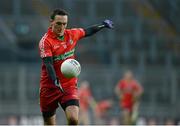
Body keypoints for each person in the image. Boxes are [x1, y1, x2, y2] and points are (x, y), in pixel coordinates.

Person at [38, 8, 113, 125]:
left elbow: (87, 31)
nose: (61, 27)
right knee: (49, 124)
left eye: (64, 24)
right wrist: (54, 80)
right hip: (49, 87)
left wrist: (102, 25)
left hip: (69, 85)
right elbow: (48, 64)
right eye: (58, 23)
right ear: (51, 22)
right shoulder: (46, 42)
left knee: (73, 119)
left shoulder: (71, 34)